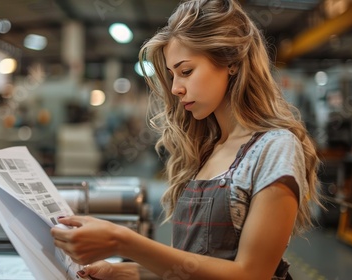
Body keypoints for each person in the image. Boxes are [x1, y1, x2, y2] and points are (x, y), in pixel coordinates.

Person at [51, 0, 322, 279]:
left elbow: (251, 273)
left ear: (230, 62)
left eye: (186, 71)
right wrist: (120, 271)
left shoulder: (275, 147)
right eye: (171, 75)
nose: (175, 88)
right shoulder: (206, 151)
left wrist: (123, 241)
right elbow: (190, 268)